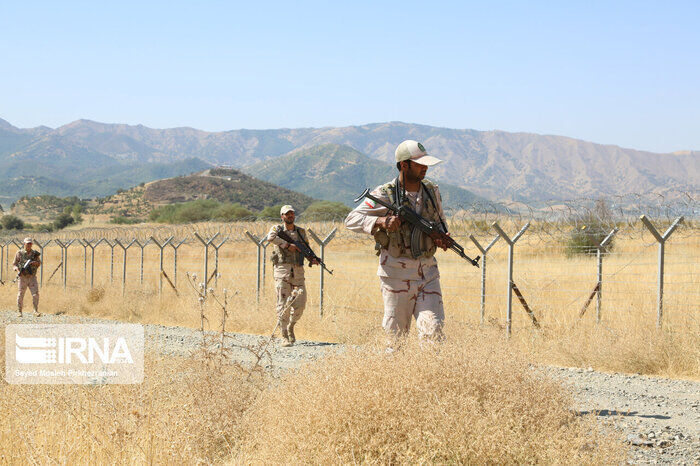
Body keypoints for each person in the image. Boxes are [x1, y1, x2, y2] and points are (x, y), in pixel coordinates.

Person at [345, 140, 450, 342]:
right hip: (396, 276)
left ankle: (430, 374)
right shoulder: (385, 193)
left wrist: (441, 237)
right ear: (404, 165)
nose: (425, 168)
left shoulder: (431, 191)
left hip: (428, 273)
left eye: (426, 164)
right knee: (395, 341)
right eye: (420, 164)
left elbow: (440, 221)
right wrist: (381, 221)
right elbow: (351, 220)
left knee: (433, 332)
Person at [266, 205, 318, 347]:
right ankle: (284, 335)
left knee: (300, 305)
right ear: (282, 216)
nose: (290, 216)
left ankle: (291, 326)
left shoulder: (300, 232)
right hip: (282, 272)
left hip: (298, 272)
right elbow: (270, 238)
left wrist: (312, 258)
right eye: (287, 214)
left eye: (292, 214)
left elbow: (306, 248)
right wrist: (287, 245)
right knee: (283, 305)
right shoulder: (277, 229)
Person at [13, 237, 42, 317]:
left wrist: (35, 263)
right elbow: (14, 264)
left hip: (32, 277)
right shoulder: (19, 253)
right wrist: (17, 270)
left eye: (30, 243)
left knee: (35, 294)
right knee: (20, 294)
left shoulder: (34, 254)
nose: (29, 245)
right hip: (23, 277)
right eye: (27, 243)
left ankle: (35, 311)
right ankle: (19, 311)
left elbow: (39, 263)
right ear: (24, 244)